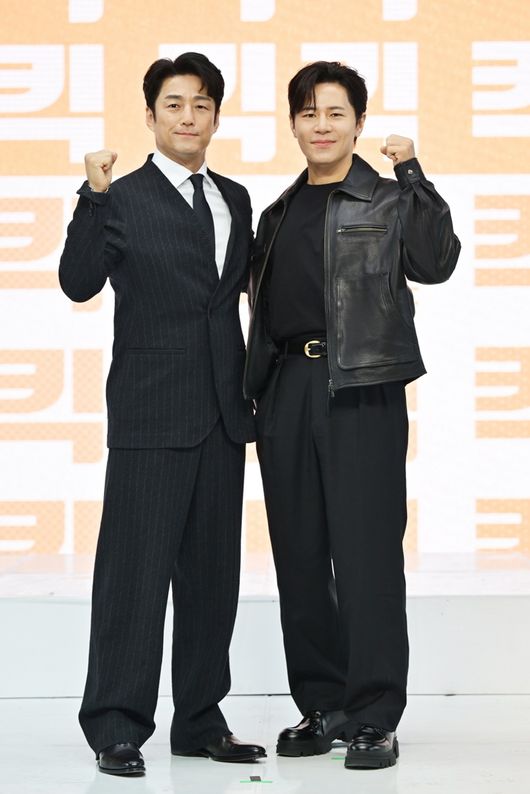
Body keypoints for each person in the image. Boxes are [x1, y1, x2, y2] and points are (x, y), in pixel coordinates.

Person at [244, 60, 460, 771]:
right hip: (287, 391)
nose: (322, 125)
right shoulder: (277, 212)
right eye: (308, 113)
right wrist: (256, 396)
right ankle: (323, 703)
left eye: (336, 113)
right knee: (300, 559)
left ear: (359, 123)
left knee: (367, 559)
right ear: (293, 123)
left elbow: (436, 261)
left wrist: (413, 173)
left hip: (362, 390)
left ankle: (373, 715)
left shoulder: (389, 198)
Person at [59, 52, 266, 777]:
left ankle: (200, 720)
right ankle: (116, 726)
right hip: (150, 412)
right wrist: (92, 195)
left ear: (216, 117)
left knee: (212, 580)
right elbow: (77, 282)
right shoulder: (120, 196)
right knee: (133, 577)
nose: (188, 116)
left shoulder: (235, 198)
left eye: (202, 104)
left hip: (223, 413)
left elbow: (240, 298)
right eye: (174, 104)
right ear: (150, 116)